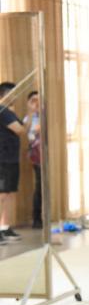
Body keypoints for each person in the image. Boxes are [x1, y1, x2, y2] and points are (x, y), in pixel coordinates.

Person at [0, 82, 25, 244]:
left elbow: (23, 128)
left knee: (9, 194)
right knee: (2, 194)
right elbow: (20, 130)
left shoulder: (9, 112)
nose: (15, 96)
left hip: (11, 158)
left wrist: (31, 112)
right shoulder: (2, 111)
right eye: (13, 93)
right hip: (3, 159)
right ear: (5, 94)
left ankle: (5, 228)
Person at [24, 91, 42, 228]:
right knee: (39, 186)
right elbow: (27, 133)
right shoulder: (27, 119)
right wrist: (31, 112)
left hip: (48, 153)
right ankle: (37, 219)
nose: (36, 103)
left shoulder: (46, 115)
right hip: (36, 155)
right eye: (33, 100)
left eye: (38, 100)